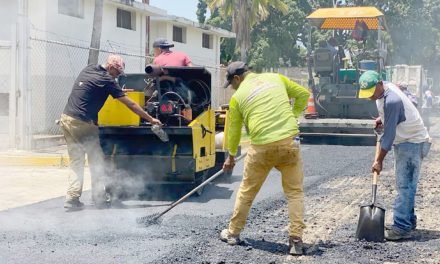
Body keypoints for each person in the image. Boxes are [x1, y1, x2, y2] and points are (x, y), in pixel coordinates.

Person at [219, 61, 310, 255]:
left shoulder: (238, 98)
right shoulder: (276, 78)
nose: (232, 88)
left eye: (232, 84)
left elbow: (234, 131)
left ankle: (233, 233)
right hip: (289, 142)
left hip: (262, 146)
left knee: (247, 191)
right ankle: (296, 241)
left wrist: (231, 157)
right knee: (294, 192)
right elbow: (303, 94)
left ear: (237, 78)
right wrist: (293, 117)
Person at [60, 54, 162, 211]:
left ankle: (72, 200)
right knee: (97, 161)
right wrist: (150, 119)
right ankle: (99, 199)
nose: (117, 76)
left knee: (76, 161)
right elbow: (131, 105)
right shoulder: (107, 81)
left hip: (67, 119)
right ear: (111, 67)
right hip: (82, 123)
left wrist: (115, 91)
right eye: (117, 73)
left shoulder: (89, 69)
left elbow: (90, 91)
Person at [358, 70, 431, 241]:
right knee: (408, 185)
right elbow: (394, 114)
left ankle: (401, 227)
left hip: (412, 143)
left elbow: (388, 137)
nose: (369, 97)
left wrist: (379, 161)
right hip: (407, 141)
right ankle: (409, 221)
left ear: (378, 84)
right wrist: (382, 118)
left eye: (371, 93)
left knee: (404, 186)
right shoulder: (386, 89)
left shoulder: (392, 100)